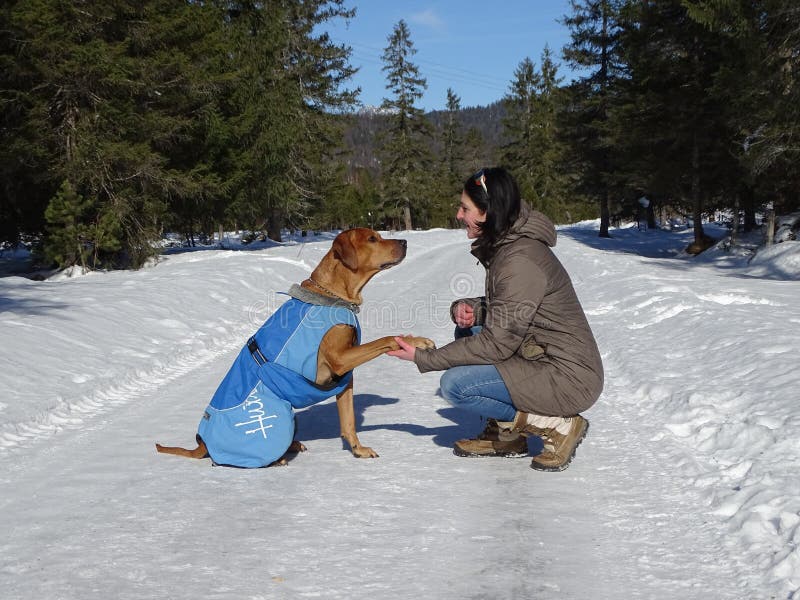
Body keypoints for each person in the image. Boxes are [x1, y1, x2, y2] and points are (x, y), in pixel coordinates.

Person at [388, 167, 603, 471]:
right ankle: (507, 435)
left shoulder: (520, 259)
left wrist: (426, 357)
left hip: (569, 377)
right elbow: (513, 308)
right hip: (541, 355)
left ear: (488, 213)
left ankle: (557, 424)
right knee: (470, 331)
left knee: (455, 385)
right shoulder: (511, 244)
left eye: (465, 208)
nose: (459, 215)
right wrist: (472, 309)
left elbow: (496, 344)